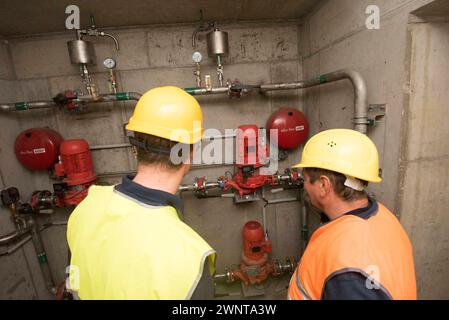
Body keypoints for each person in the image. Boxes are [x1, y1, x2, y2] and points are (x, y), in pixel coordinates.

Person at [66, 86, 216, 299]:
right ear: (187, 153)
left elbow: (74, 283)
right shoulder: (191, 260)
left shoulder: (85, 209)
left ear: (135, 146)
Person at [288, 129, 417, 300]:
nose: (304, 186)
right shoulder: (383, 216)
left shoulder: (348, 271)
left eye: (305, 179)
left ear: (323, 185)